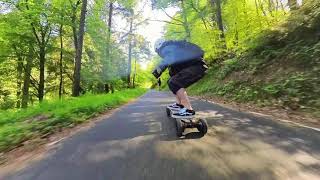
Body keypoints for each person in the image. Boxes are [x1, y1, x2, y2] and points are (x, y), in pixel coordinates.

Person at [152, 39, 208, 118]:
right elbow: (174, 69)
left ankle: (188, 110)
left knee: (174, 82)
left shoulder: (166, 47)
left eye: (157, 52)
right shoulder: (175, 47)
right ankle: (179, 104)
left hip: (196, 67)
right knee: (171, 82)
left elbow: (169, 58)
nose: (159, 54)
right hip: (197, 67)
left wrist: (158, 69)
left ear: (158, 48)